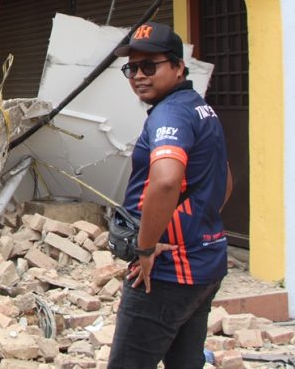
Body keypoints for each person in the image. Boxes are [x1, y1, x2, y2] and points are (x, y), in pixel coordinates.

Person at [107, 22, 232, 369]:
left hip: (167, 272)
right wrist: (198, 220)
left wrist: (145, 248)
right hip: (205, 263)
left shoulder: (170, 114)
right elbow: (225, 179)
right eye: (132, 68)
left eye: (150, 66)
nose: (138, 76)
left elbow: (165, 181)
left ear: (178, 67)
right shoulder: (198, 107)